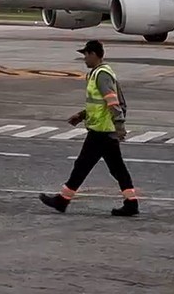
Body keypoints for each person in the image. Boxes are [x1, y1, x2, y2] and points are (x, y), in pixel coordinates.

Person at [39, 39, 139, 216]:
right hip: (103, 130)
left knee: (83, 165)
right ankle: (131, 202)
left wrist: (119, 125)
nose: (84, 58)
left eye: (86, 54)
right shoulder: (97, 73)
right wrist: (81, 115)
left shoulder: (102, 75)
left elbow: (112, 101)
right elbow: (98, 104)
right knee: (116, 168)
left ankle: (62, 200)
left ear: (94, 54)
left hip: (102, 131)